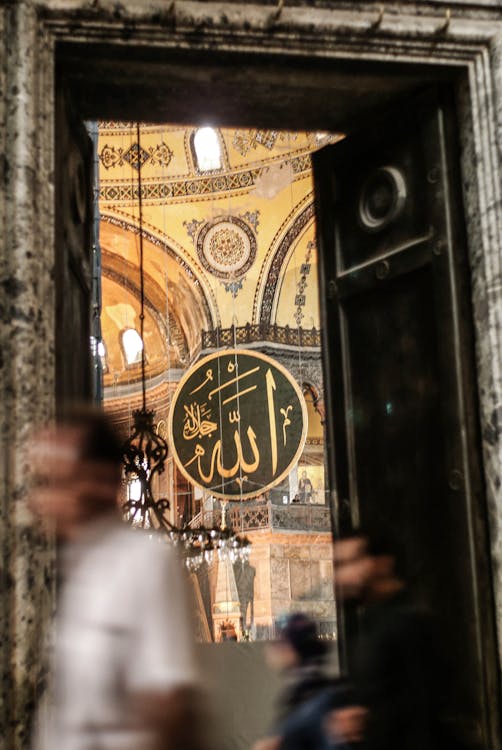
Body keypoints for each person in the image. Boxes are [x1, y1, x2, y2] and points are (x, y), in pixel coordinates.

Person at [29, 407, 208, 750]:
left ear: (95, 481)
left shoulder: (143, 563)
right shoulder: (77, 572)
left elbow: (168, 705)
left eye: (52, 481)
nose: (40, 501)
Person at [327, 529, 457, 750]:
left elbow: (421, 713)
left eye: (349, 563)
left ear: (382, 563)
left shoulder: (407, 622)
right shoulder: (370, 624)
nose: (341, 576)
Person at [253, 613, 353, 750]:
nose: (270, 648)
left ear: (291, 649)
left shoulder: (312, 698)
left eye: (279, 641)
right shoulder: (304, 692)